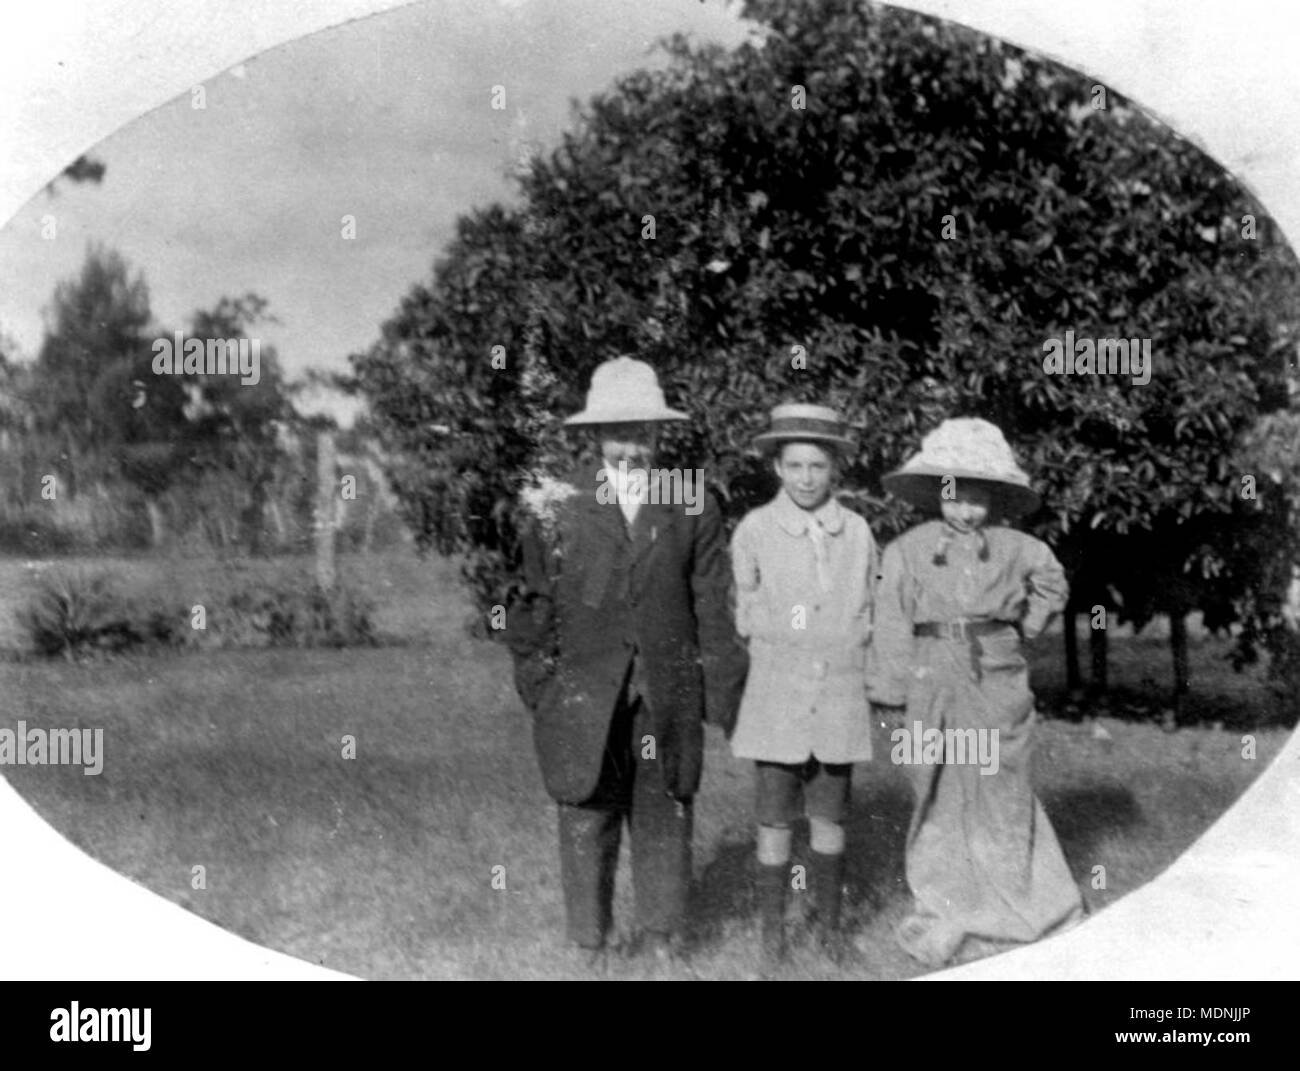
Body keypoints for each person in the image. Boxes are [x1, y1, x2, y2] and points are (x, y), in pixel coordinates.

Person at [505, 356, 748, 964]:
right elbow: (533, 608)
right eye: (619, 433)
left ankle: (664, 936)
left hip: (665, 687)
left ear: (659, 434)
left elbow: (712, 608)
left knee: (664, 802)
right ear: (594, 437)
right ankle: (589, 940)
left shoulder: (692, 503)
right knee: (586, 807)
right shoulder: (555, 506)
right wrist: (542, 687)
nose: (631, 446)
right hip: (586, 691)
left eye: (642, 432)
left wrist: (721, 692)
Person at [865, 416, 1084, 968]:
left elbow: (1052, 580)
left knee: (999, 782)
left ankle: (1017, 899)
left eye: (977, 500)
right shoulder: (906, 550)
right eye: (953, 498)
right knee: (935, 783)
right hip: (928, 675)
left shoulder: (1018, 547)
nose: (964, 511)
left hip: (995, 672)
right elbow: (890, 620)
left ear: (996, 499)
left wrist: (1028, 626)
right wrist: (890, 691)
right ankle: (947, 900)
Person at [728, 403, 878, 965]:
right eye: (795, 466)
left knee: (830, 815)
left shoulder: (858, 532)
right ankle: (773, 936)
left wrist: (845, 644)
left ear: (835, 467)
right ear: (776, 468)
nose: (807, 478)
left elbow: (868, 603)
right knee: (773, 817)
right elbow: (746, 608)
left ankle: (831, 930)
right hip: (777, 694)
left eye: (818, 466)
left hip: (838, 692)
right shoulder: (755, 529)